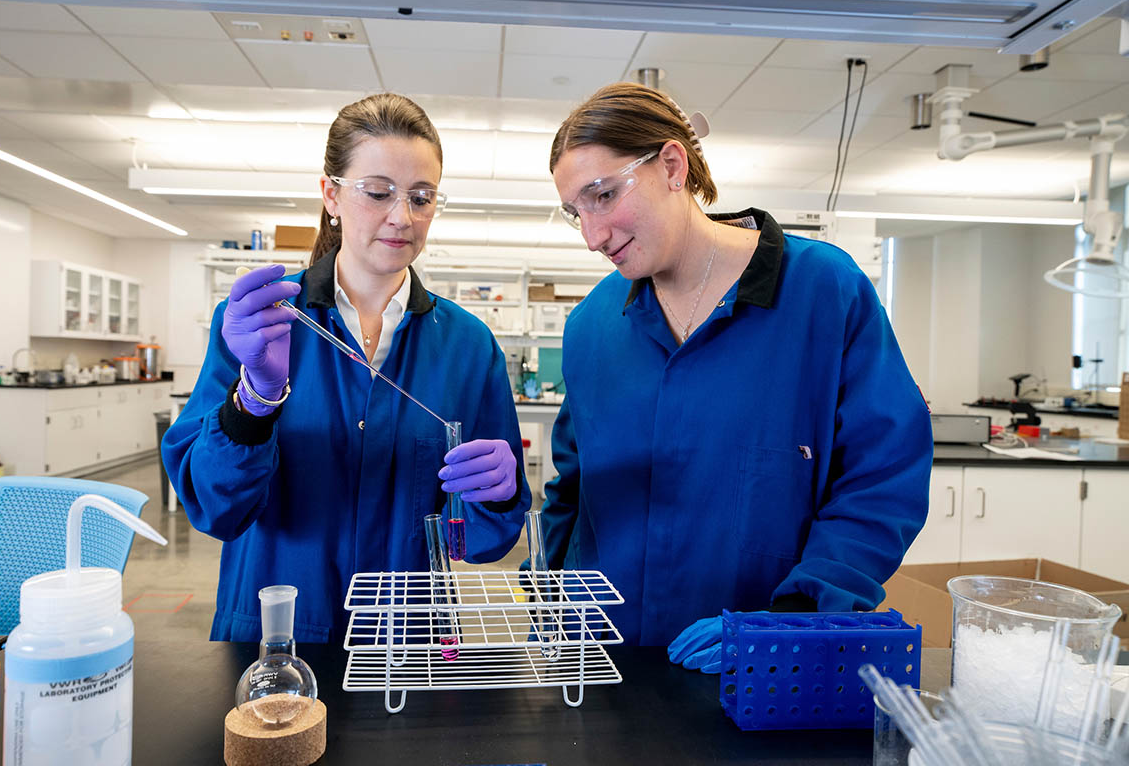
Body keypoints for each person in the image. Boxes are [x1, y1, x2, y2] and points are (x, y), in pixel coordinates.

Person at [538, 82, 932, 663]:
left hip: (766, 670)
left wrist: (793, 623)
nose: (593, 236)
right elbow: (573, 493)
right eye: (576, 212)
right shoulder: (594, 325)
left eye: (602, 196)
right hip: (605, 662)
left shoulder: (823, 290)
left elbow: (882, 478)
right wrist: (549, 601)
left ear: (672, 165)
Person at [162, 93, 530, 643]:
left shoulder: (468, 346)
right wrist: (253, 404)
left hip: (408, 646)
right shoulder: (266, 323)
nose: (402, 217)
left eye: (422, 197)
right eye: (378, 192)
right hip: (274, 633)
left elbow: (471, 542)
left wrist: (499, 498)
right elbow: (215, 509)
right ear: (331, 195)